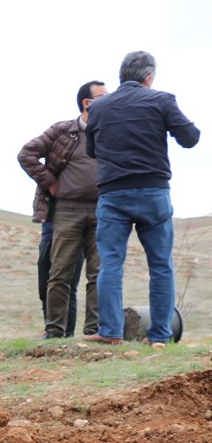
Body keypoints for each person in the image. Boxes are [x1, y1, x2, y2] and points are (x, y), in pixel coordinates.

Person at [85, 51, 200, 345]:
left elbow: (91, 151)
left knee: (110, 264)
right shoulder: (162, 100)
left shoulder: (98, 108)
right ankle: (160, 335)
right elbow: (190, 138)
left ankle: (110, 331)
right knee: (161, 265)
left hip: (112, 194)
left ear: (121, 76)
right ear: (149, 78)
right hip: (153, 192)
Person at [19, 81, 107, 339]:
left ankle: (95, 330)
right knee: (59, 273)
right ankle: (55, 331)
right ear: (87, 103)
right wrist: (51, 182)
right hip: (67, 210)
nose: (111, 99)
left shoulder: (111, 132)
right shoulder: (62, 130)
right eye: (104, 96)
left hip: (104, 211)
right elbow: (26, 154)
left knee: (99, 273)